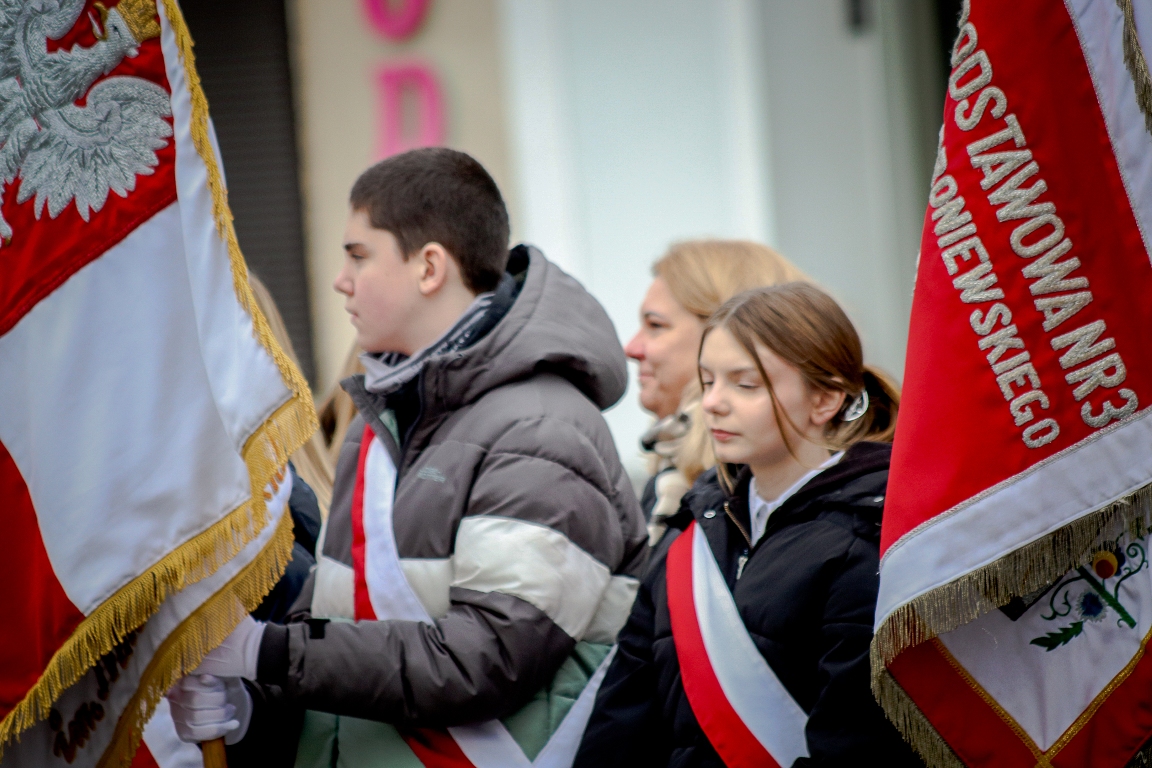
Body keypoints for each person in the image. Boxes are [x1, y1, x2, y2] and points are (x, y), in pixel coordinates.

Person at [166, 148, 648, 766]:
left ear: (429, 268)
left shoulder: (542, 428)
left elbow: (486, 660)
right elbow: (338, 641)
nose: (341, 280)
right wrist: (249, 707)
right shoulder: (389, 423)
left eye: (359, 256)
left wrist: (265, 652)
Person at [575, 282, 920, 767]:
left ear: (824, 400)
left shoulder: (867, 544)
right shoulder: (691, 531)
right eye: (708, 380)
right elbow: (624, 713)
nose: (713, 402)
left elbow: (856, 742)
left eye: (745, 384)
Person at [625, 240, 806, 543]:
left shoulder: (760, 488)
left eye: (655, 325)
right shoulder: (677, 470)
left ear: (729, 330)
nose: (632, 348)